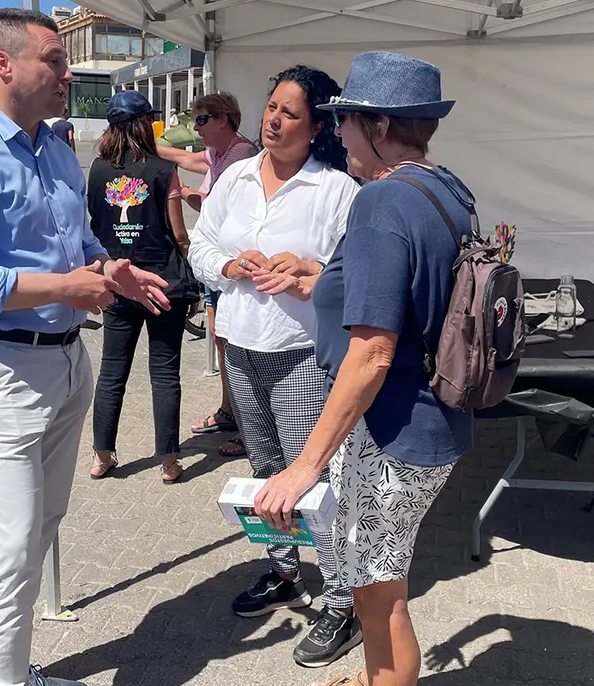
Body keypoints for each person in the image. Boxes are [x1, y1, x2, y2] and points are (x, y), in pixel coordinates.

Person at [0, 8, 169, 686]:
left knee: (41, 527)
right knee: (13, 543)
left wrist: (108, 268)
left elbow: (76, 240)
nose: (67, 74)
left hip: (65, 358)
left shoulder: (54, 148)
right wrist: (63, 286)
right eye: (53, 60)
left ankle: (12, 669)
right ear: (3, 64)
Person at [253, 52, 472, 686]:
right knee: (383, 581)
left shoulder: (380, 201)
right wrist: (322, 276)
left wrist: (305, 465)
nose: (337, 132)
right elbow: (412, 292)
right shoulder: (446, 189)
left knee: (378, 600)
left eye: (345, 119)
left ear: (377, 126)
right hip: (430, 420)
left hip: (389, 432)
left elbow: (372, 353)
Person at [188, 65, 362, 669]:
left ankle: (341, 599)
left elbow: (352, 273)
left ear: (317, 127)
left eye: (290, 113)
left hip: (301, 351)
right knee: (265, 473)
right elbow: (201, 245)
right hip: (240, 344)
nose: (274, 120)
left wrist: (306, 271)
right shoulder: (235, 176)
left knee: (314, 477)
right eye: (271, 107)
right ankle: (285, 572)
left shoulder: (336, 191)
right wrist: (230, 266)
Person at [86, 90, 196, 484]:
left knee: (112, 372)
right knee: (164, 373)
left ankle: (102, 454)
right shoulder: (164, 170)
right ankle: (169, 460)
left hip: (117, 280)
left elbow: (94, 223)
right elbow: (179, 234)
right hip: (162, 281)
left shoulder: (98, 170)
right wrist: (193, 273)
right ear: (144, 124)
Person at [158, 92, 258, 457]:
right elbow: (182, 157)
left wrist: (182, 192)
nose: (196, 128)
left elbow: (215, 207)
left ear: (222, 119)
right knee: (219, 337)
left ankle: (251, 427)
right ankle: (230, 410)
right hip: (218, 263)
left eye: (201, 120)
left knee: (238, 343)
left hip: (234, 264)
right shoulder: (218, 153)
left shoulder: (241, 155)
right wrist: (140, 143)